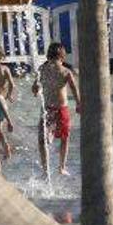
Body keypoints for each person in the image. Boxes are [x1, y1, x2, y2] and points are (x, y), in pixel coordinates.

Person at [31, 42, 79, 178]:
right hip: (53, 109)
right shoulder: (45, 69)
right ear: (62, 57)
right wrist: (78, 103)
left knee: (57, 138)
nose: (54, 64)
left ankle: (56, 167)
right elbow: (35, 86)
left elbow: (74, 88)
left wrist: (79, 103)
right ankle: (54, 168)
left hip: (56, 109)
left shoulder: (64, 71)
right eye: (53, 60)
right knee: (59, 138)